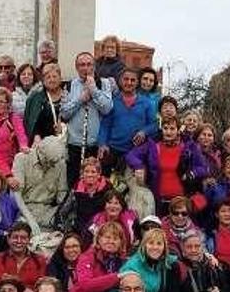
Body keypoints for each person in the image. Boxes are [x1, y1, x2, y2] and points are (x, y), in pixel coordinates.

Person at [126, 117, 208, 217]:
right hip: (159, 200)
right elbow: (131, 155)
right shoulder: (153, 146)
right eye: (165, 128)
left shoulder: (189, 147)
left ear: (178, 130)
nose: (168, 132)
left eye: (172, 128)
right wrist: (139, 166)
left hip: (181, 201)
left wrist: (192, 173)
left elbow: (203, 168)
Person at [62, 52, 114, 189]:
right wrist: (80, 99)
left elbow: (107, 108)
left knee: (95, 184)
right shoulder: (69, 85)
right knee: (74, 184)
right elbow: (64, 113)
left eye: (89, 64)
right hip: (75, 144)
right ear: (76, 67)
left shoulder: (104, 83)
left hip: (95, 144)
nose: (86, 68)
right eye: (82, 65)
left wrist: (94, 91)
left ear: (94, 66)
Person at [97, 68, 158, 175]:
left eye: (132, 80)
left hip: (136, 152)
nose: (129, 83)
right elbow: (105, 126)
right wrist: (102, 144)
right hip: (113, 150)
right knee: (110, 186)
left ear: (137, 82)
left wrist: (144, 131)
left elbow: (154, 125)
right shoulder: (113, 101)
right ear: (120, 81)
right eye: (126, 79)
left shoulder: (146, 103)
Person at [106, 228, 174, 292]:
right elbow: (115, 289)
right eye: (151, 243)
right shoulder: (132, 266)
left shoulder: (166, 262)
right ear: (144, 245)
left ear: (164, 247)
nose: (155, 247)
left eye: (159, 244)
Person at [11, 134, 68, 232]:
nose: (51, 165)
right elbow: (16, 195)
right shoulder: (22, 159)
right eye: (49, 161)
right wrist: (31, 221)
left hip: (49, 213)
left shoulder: (59, 163)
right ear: (40, 152)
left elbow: (61, 197)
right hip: (25, 211)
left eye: (53, 163)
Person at [0, 222, 47, 292]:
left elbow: (41, 288)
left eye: (23, 238)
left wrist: (12, 279)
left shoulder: (39, 260)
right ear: (8, 239)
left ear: (29, 239)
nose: (19, 241)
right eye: (15, 237)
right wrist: (26, 288)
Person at [23, 63, 66, 146]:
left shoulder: (69, 95)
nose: (52, 80)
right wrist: (35, 136)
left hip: (65, 141)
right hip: (41, 143)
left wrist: (64, 128)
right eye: (48, 77)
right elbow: (30, 121)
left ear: (60, 78)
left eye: (54, 76)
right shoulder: (35, 98)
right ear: (43, 80)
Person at [72, 157, 112, 237]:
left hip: (102, 227)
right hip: (80, 227)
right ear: (82, 173)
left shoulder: (108, 189)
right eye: (86, 171)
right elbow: (66, 209)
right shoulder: (76, 188)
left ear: (99, 174)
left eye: (93, 172)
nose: (90, 175)